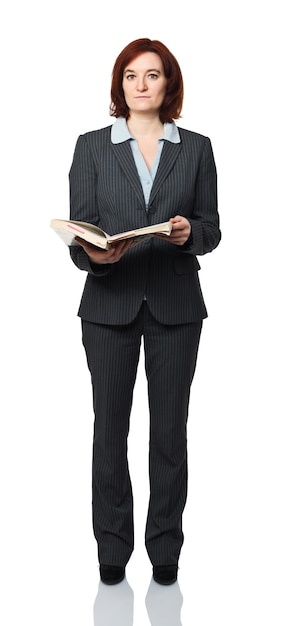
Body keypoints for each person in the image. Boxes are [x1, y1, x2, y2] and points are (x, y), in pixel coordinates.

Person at [69, 37, 221, 586]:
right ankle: (112, 550)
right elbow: (79, 230)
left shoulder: (197, 148)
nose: (140, 84)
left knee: (169, 433)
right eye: (131, 75)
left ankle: (165, 551)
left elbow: (212, 229)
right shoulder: (91, 147)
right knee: (109, 431)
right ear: (120, 84)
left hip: (177, 307)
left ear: (168, 83)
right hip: (108, 305)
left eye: (152, 75)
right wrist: (94, 251)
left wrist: (187, 234)